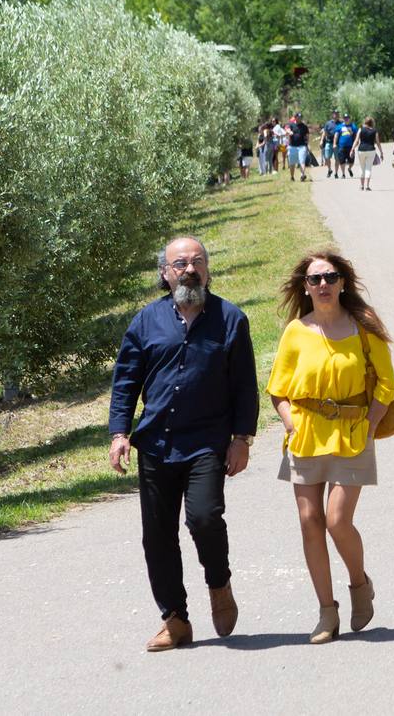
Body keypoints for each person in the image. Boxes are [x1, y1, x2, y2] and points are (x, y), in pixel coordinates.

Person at [108, 236, 258, 652]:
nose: (189, 269)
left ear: (207, 270)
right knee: (157, 536)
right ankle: (175, 619)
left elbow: (245, 387)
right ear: (165, 273)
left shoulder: (231, 319)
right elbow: (125, 383)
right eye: (180, 263)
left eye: (197, 262)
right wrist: (119, 434)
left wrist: (241, 438)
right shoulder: (144, 322)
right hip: (156, 443)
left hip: (207, 442)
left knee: (205, 518)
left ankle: (219, 583)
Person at [267, 251, 394, 644]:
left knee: (337, 520)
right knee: (310, 523)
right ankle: (327, 611)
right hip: (305, 434)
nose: (322, 285)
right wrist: (291, 424)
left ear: (343, 282)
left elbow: (387, 385)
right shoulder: (295, 331)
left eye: (330, 277)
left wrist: (370, 425)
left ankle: (359, 585)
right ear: (305, 288)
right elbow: (278, 389)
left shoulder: (364, 326)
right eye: (314, 279)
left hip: (352, 432)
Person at [355, 117, 384, 191]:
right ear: (372, 122)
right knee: (368, 168)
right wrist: (381, 152)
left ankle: (361, 186)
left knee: (362, 167)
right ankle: (367, 186)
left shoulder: (360, 129)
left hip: (361, 150)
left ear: (365, 122)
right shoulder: (374, 131)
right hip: (371, 150)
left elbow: (357, 140)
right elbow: (377, 142)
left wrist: (352, 149)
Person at [287, 114, 311, 182]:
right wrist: (289, 132)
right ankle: (292, 176)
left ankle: (302, 175)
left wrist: (307, 145)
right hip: (292, 146)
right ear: (295, 118)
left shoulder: (304, 126)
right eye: (298, 117)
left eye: (300, 117)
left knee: (302, 161)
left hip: (302, 146)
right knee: (292, 163)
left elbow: (307, 136)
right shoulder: (291, 124)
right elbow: (287, 130)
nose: (299, 119)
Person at [321, 113, 341, 180]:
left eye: (337, 114)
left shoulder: (341, 123)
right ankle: (329, 170)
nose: (336, 115)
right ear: (332, 115)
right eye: (334, 114)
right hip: (328, 143)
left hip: (337, 144)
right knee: (326, 157)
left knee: (337, 159)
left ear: (338, 115)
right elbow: (324, 132)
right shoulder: (328, 123)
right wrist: (321, 140)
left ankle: (336, 173)